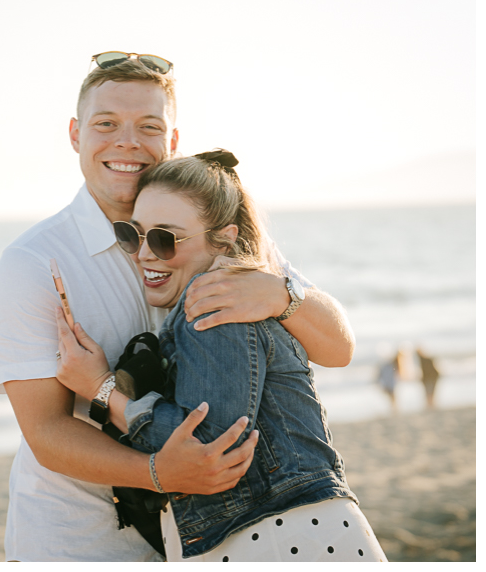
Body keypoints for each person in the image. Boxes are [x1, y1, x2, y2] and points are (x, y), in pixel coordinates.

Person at [0, 54, 356, 562]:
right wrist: (158, 472)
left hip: (206, 540)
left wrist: (281, 295)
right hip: (78, 540)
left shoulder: (216, 235)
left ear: (173, 141)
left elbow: (338, 347)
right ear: (75, 134)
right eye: (106, 124)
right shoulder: (34, 262)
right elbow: (46, 432)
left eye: (149, 127)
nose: (127, 142)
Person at [55, 151, 386, 562]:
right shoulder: (234, 287)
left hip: (277, 537)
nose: (143, 253)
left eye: (164, 238)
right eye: (131, 234)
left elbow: (206, 448)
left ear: (225, 237)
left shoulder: (215, 301)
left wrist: (101, 389)